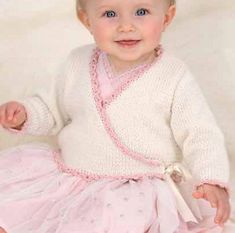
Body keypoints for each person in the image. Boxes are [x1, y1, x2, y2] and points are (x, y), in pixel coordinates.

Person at [0, 0, 231, 232]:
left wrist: (210, 178)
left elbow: (200, 134)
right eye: (110, 13)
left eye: (141, 12)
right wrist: (25, 114)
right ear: (87, 20)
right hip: (72, 176)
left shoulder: (173, 76)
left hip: (136, 189)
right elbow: (51, 109)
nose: (126, 26)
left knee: (112, 221)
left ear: (167, 18)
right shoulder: (76, 62)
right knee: (15, 208)